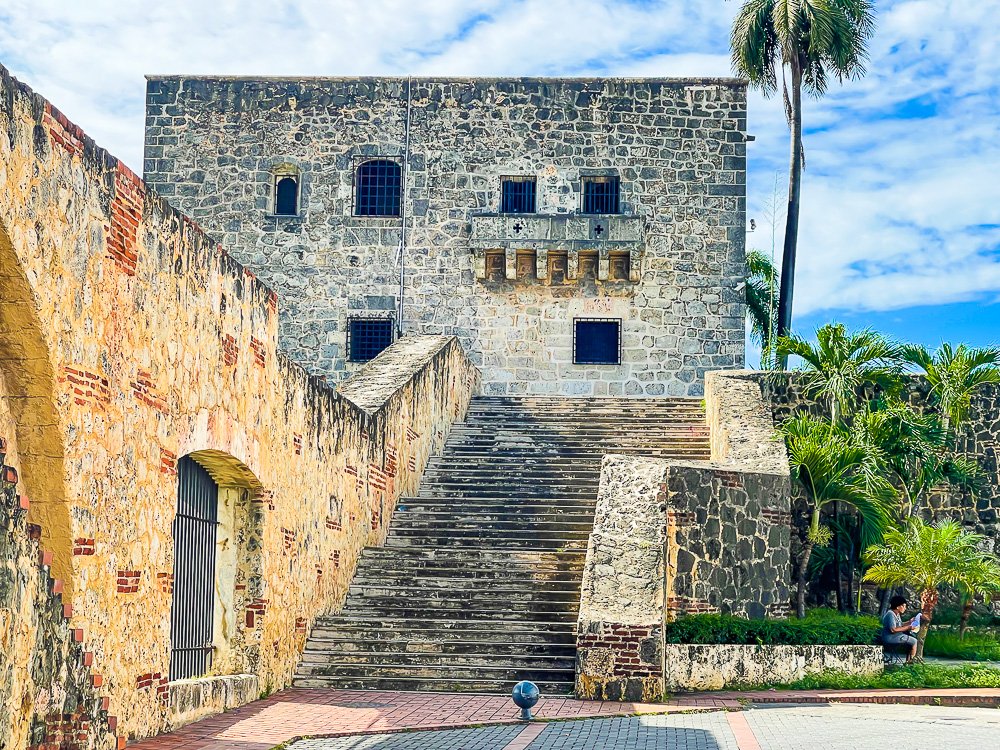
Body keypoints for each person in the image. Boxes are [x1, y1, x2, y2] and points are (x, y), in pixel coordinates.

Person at [881, 595, 919, 662]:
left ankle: (908, 660)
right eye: (904, 606)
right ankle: (910, 662)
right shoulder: (890, 614)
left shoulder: (897, 614)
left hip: (896, 636)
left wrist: (909, 622)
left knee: (911, 640)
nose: (905, 608)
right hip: (890, 638)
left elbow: (900, 625)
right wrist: (908, 627)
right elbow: (893, 629)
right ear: (898, 607)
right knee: (914, 641)